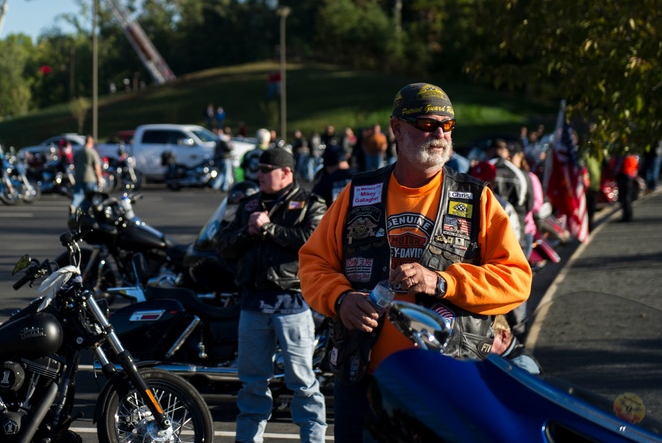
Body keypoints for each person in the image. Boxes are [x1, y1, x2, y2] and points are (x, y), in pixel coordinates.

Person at [298, 82, 532, 442]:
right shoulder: (358, 193)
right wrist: (341, 299)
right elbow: (313, 264)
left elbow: (516, 279)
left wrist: (443, 282)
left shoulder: (476, 199)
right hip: (365, 381)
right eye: (426, 124)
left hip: (450, 382)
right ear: (396, 128)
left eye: (447, 125)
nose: (439, 133)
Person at [214, 147, 327, 443]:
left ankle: (313, 439)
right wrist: (247, 232)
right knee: (252, 384)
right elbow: (222, 244)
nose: (259, 175)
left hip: (292, 304)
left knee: (302, 383)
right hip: (253, 305)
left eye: (266, 169)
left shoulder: (310, 204)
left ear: (286, 173)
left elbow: (313, 242)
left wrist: (269, 229)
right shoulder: (249, 204)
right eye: (258, 169)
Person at [71, 135, 102, 212]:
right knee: (92, 196)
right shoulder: (92, 153)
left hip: (78, 176)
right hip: (90, 177)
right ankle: (94, 210)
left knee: (78, 194)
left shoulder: (78, 152)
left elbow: (75, 164)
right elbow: (97, 167)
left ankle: (73, 205)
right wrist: (99, 179)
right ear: (91, 143)